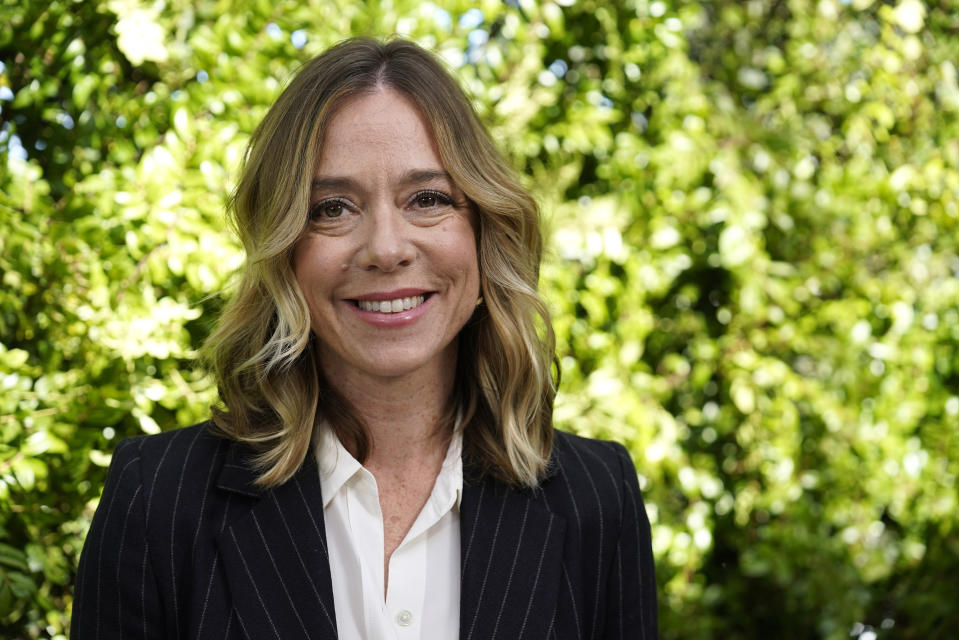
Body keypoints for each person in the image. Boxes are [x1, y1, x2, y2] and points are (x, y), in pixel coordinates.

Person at [71, 37, 657, 639]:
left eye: (427, 199)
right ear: (285, 252)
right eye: (332, 208)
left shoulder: (597, 497)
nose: (385, 248)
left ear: (484, 233)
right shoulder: (159, 498)